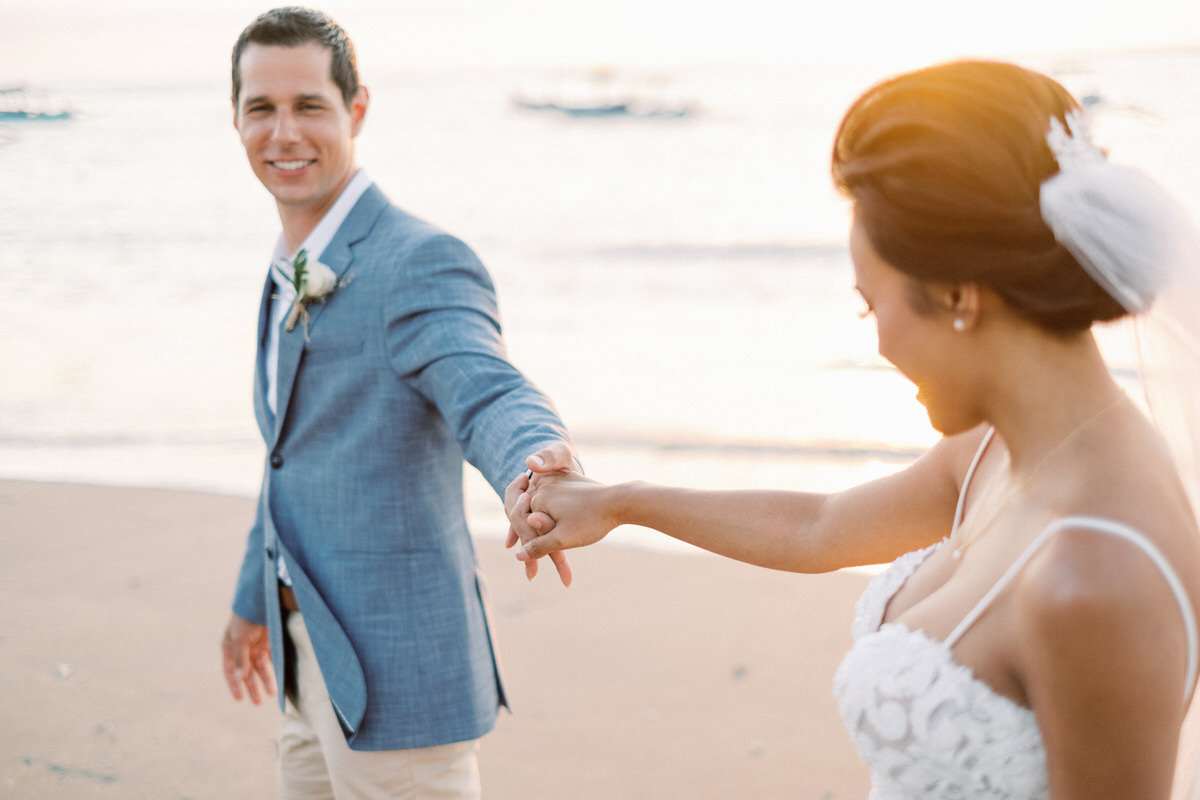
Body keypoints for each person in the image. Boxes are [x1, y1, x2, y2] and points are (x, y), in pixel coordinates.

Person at [507, 61, 1200, 798]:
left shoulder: (1097, 576)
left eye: (872, 308)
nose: (877, 346)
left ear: (959, 295)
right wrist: (618, 501)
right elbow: (820, 527)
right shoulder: (995, 450)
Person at [219, 7, 576, 798]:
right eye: (261, 109)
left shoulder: (417, 261)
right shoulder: (287, 268)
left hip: (397, 674)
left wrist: (535, 456)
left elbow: (485, 387)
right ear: (236, 120)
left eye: (309, 105)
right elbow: (286, 457)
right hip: (300, 660)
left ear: (357, 109)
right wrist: (254, 602)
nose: (284, 133)